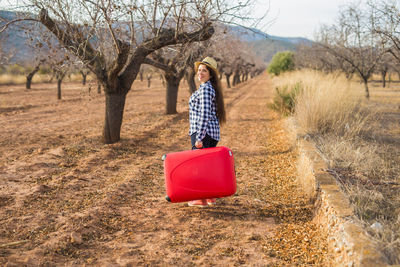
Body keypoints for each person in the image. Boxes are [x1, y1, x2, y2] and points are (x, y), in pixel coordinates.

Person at [188, 56, 226, 207]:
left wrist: (199, 137)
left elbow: (204, 115)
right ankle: (210, 197)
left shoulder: (205, 90)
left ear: (210, 74)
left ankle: (201, 199)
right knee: (207, 166)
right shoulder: (209, 88)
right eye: (199, 70)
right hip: (211, 133)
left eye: (204, 71)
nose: (200, 73)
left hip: (203, 133)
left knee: (199, 166)